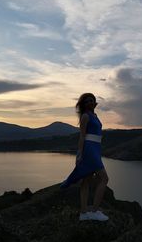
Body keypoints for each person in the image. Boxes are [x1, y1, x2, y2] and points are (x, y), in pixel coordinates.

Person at [60, 93, 109, 221]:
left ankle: (84, 212)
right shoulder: (86, 116)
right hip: (89, 149)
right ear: (83, 104)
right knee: (104, 178)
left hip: (96, 148)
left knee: (86, 180)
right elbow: (82, 136)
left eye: (92, 100)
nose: (90, 103)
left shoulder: (94, 116)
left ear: (95, 102)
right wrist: (79, 153)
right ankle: (94, 210)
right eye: (87, 101)